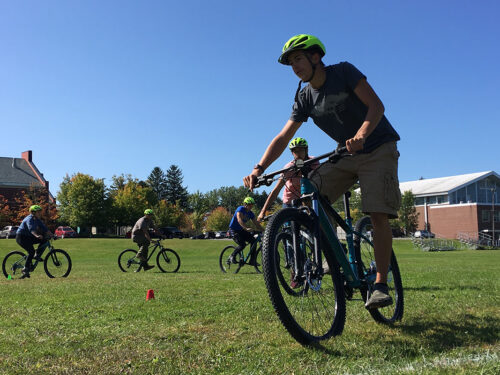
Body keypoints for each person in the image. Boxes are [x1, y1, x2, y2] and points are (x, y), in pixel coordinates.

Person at [244, 34, 401, 309]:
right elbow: (283, 138)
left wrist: (362, 135)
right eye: (291, 62)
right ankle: (335, 251)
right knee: (310, 194)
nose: (295, 66)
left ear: (316, 57)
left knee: (377, 214)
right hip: (346, 154)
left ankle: (379, 284)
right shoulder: (304, 97)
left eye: (298, 59)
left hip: (377, 147)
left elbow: (376, 106)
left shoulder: (343, 72)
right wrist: (259, 168)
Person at [257, 137, 319, 221]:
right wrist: (263, 211)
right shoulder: (288, 168)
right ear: (292, 153)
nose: (298, 153)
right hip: (290, 202)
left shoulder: (314, 162)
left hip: (309, 199)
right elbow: (276, 190)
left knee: (314, 221)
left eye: (301, 150)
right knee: (288, 227)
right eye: (295, 151)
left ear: (306, 150)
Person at [15, 205, 53, 279]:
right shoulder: (29, 219)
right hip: (21, 237)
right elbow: (31, 229)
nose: (40, 214)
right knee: (31, 251)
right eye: (38, 212)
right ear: (33, 213)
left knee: (44, 239)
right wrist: (36, 235)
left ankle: (37, 255)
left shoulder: (37, 220)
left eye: (40, 212)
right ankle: (25, 269)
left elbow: (45, 228)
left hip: (28, 237)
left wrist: (52, 235)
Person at [228, 197, 264, 265]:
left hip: (241, 230)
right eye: (249, 204)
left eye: (252, 204)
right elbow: (239, 220)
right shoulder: (240, 209)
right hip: (233, 230)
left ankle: (252, 260)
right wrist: (246, 228)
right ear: (245, 204)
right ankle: (232, 256)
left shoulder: (250, 213)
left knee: (253, 241)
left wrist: (265, 230)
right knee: (242, 245)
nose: (251, 206)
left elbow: (256, 223)